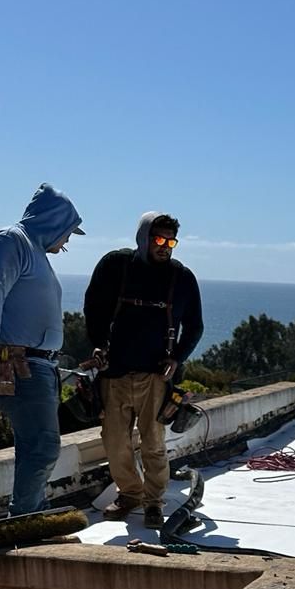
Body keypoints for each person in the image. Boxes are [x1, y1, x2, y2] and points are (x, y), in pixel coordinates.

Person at [83, 212, 203, 527]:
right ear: (144, 237)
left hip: (156, 376)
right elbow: (93, 308)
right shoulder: (115, 266)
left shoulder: (182, 278)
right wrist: (98, 344)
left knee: (153, 443)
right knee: (114, 441)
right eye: (159, 239)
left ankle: (153, 503)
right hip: (114, 373)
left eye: (171, 242)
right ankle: (129, 494)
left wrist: (177, 358)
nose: (165, 246)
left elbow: (195, 326)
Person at [0, 184, 84, 516]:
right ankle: (25, 516)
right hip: (21, 364)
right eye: (67, 233)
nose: (67, 242)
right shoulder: (10, 241)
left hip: (39, 365)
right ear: (54, 222)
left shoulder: (33, 251)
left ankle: (29, 511)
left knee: (33, 444)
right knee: (44, 447)